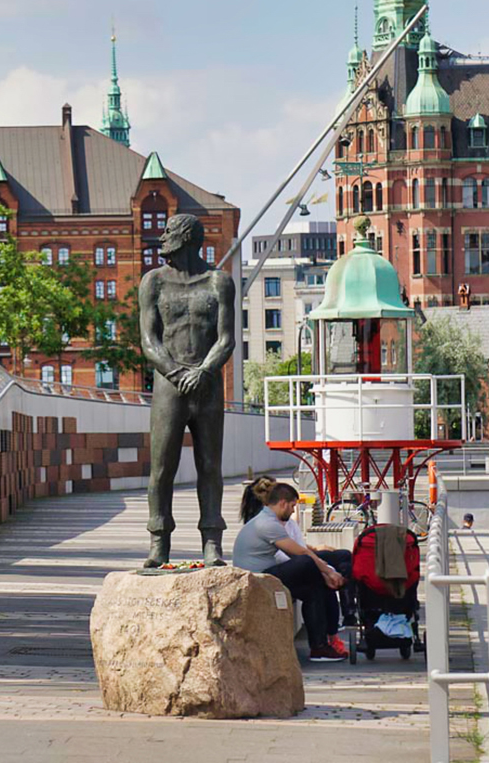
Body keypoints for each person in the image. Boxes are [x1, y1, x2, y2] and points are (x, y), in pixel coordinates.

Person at [139, 213, 235, 567]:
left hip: (207, 386)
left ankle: (212, 541)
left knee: (210, 465)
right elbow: (149, 341)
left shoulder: (218, 282)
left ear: (188, 237)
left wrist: (205, 371)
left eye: (169, 232)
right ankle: (158, 541)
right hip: (169, 385)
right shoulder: (153, 283)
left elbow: (226, 339)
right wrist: (177, 373)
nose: (162, 238)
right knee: (162, 467)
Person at [233, 482, 346, 663]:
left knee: (313, 590)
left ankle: (319, 647)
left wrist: (323, 574)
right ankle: (321, 645)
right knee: (307, 563)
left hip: (265, 574)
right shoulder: (266, 523)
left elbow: (294, 553)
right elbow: (300, 553)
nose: (293, 511)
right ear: (283, 503)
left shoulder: (266, 520)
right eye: (293, 506)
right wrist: (328, 572)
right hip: (257, 579)